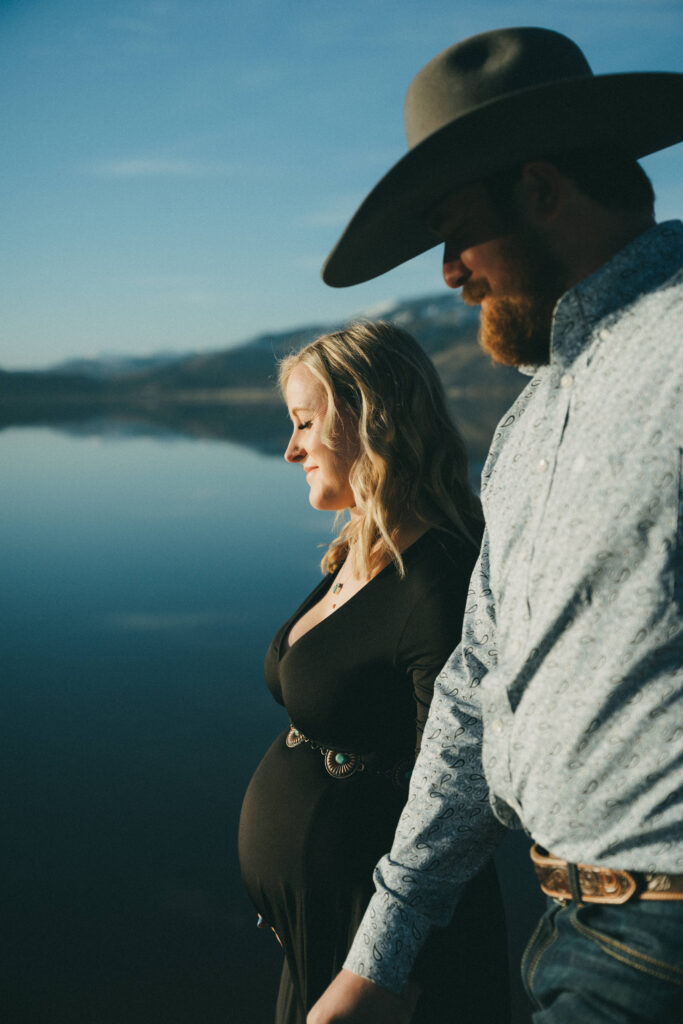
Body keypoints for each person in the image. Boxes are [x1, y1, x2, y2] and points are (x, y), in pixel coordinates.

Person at [309, 26, 683, 1024]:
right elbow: (473, 687)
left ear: (541, 190)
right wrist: (378, 956)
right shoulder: (524, 428)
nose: (445, 270)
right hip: (561, 929)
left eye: (453, 226)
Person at [237, 320, 510, 1023]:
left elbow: (454, 791)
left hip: (389, 961)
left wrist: (374, 957)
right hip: (318, 930)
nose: (291, 448)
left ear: (369, 418)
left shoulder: (442, 578)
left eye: (303, 423)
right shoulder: (357, 549)